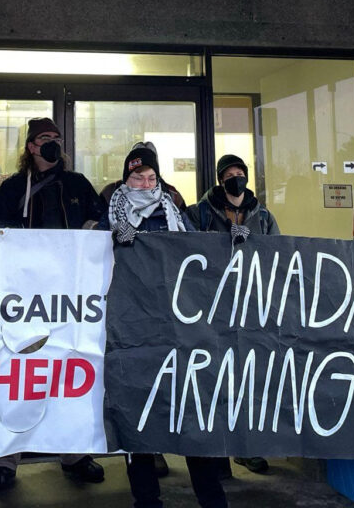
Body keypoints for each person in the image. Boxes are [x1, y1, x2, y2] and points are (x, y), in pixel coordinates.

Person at [99, 147, 227, 508]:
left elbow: (197, 247)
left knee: (190, 415)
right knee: (140, 414)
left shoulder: (173, 207)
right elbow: (85, 243)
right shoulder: (111, 207)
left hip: (177, 325)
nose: (145, 183)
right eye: (138, 177)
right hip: (134, 328)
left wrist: (232, 240)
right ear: (126, 177)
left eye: (151, 177)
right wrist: (108, 235)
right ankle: (146, 500)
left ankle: (213, 500)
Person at [0, 117, 105, 492]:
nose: (52, 143)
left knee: (67, 371)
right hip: (23, 297)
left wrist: (90, 230)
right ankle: (5, 459)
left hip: (71, 296)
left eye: (56, 137)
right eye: (44, 138)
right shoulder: (10, 188)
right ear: (31, 147)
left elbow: (101, 223)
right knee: (17, 373)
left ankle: (73, 453)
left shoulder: (78, 184)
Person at [187, 154, 279, 477]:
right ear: (219, 179)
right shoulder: (200, 213)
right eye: (229, 174)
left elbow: (277, 256)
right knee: (213, 379)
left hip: (251, 308)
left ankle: (245, 448)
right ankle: (216, 454)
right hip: (211, 307)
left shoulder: (263, 215)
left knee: (245, 379)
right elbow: (187, 250)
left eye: (240, 173)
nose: (236, 178)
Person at [98, 141, 187, 212]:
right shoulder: (110, 193)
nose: (146, 185)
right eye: (138, 178)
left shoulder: (172, 195)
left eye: (151, 178)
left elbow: (185, 229)